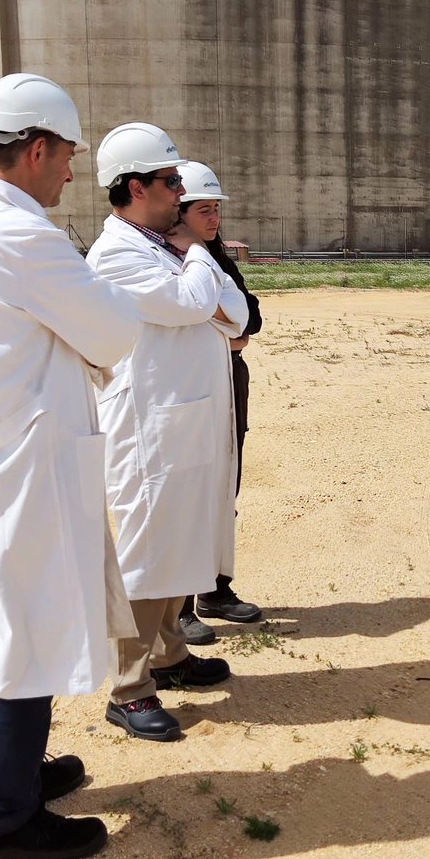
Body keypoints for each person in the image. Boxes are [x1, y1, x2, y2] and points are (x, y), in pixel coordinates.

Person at [0, 73, 140, 859]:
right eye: (68, 153)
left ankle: (19, 775)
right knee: (29, 626)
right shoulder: (19, 235)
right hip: (27, 457)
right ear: (36, 149)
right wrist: (87, 322)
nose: (72, 170)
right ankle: (5, 818)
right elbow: (111, 328)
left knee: (22, 616)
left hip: (5, 444)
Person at [87, 124, 249, 740]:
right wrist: (200, 258)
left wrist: (198, 274)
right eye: (170, 181)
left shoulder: (161, 247)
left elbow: (233, 312)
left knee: (180, 539)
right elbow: (191, 306)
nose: (181, 192)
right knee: (150, 552)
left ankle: (170, 655)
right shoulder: (117, 254)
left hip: (186, 417)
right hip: (151, 427)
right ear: (136, 186)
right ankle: (129, 688)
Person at [173, 162, 263, 645]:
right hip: (195, 384)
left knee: (226, 487)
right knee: (191, 494)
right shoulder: (166, 256)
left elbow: (251, 319)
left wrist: (227, 328)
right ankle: (181, 605)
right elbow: (187, 320)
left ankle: (215, 588)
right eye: (204, 209)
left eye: (216, 209)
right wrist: (222, 329)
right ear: (178, 210)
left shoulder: (216, 257)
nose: (213, 219)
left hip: (231, 381)